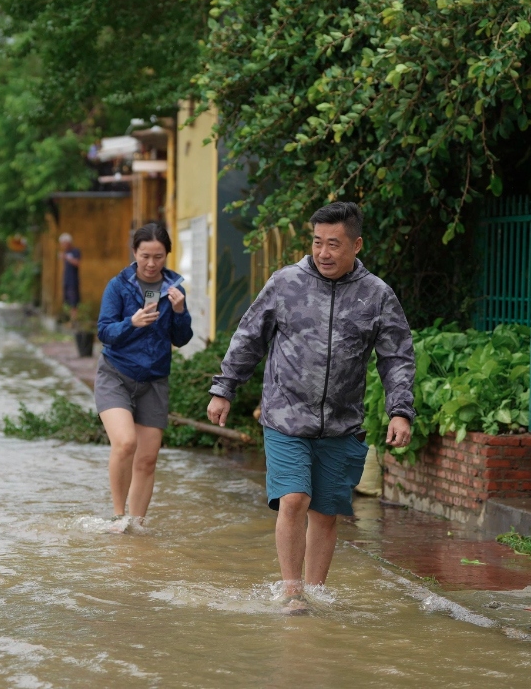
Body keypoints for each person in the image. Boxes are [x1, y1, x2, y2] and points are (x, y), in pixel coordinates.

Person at [205, 201, 415, 612]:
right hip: (285, 415)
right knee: (295, 499)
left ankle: (315, 592)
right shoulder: (286, 283)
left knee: (324, 512)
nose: (323, 253)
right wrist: (224, 388)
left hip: (342, 423)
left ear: (356, 244)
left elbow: (397, 357)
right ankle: (291, 591)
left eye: (334, 244)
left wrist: (401, 410)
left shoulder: (376, 295)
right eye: (317, 242)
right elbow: (249, 337)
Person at [95, 223, 193, 530]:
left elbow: (182, 339)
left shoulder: (174, 289)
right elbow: (104, 333)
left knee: (147, 459)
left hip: (154, 381)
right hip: (116, 375)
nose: (151, 264)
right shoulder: (117, 286)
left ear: (167, 256)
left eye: (158, 257)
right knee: (125, 443)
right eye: (145, 256)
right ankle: (117, 515)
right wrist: (132, 322)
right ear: (134, 254)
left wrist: (179, 312)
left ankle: (134, 526)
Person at [59, 233, 82, 322]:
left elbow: (77, 263)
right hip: (66, 280)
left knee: (74, 302)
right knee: (67, 301)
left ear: (68, 242)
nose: (62, 245)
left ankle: (74, 320)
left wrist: (67, 258)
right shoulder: (65, 252)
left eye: (63, 243)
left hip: (73, 281)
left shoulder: (75, 251)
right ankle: (69, 320)